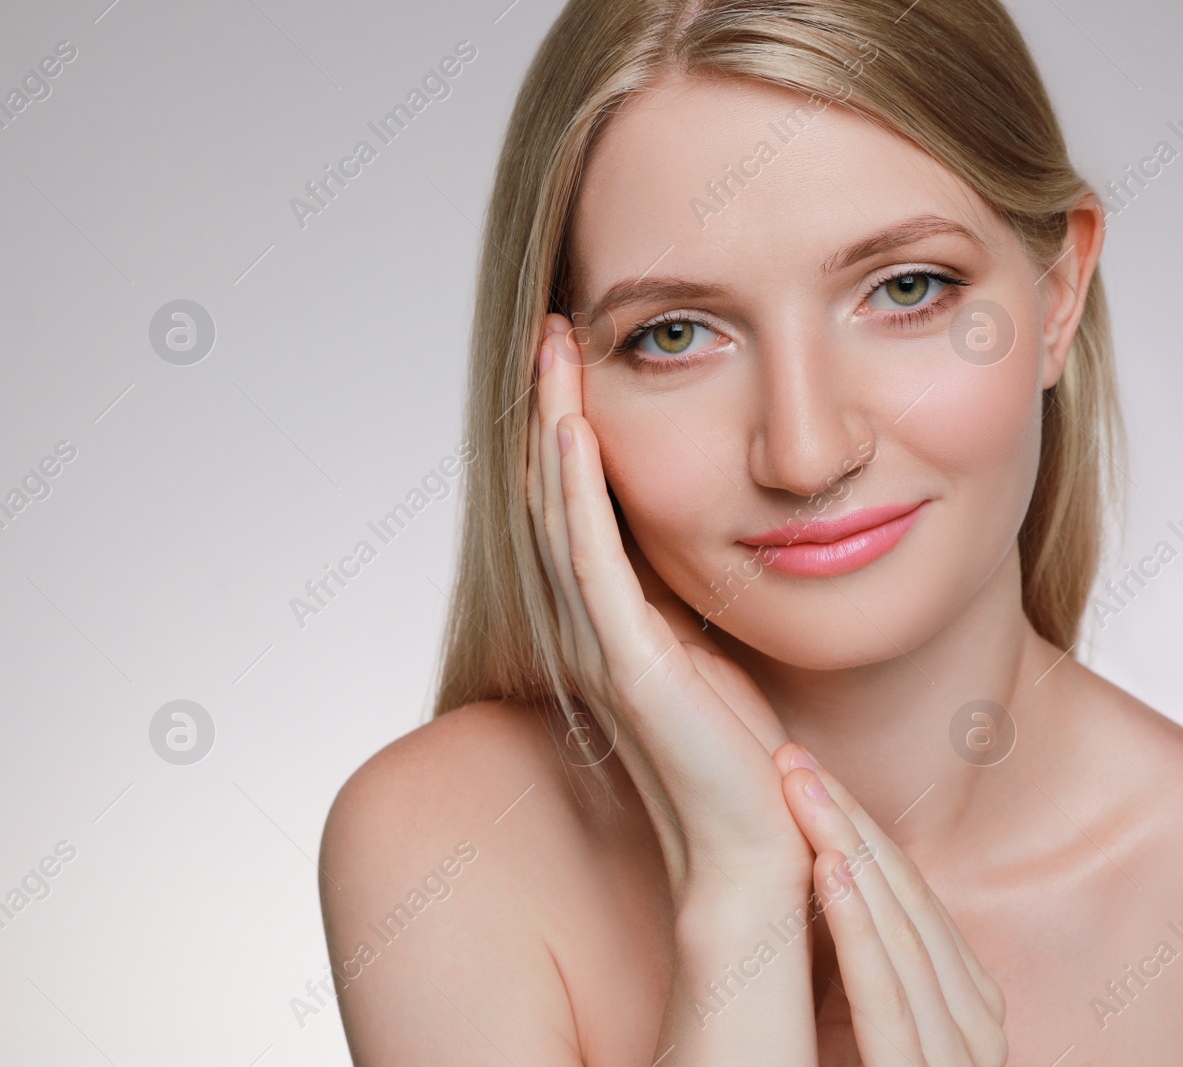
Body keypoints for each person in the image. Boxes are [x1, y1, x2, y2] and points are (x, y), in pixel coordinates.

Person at [317, 0, 1183, 1063]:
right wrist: (737, 898)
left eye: (905, 287)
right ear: (558, 387)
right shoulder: (443, 845)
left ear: (1055, 295)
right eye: (675, 334)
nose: (808, 452)